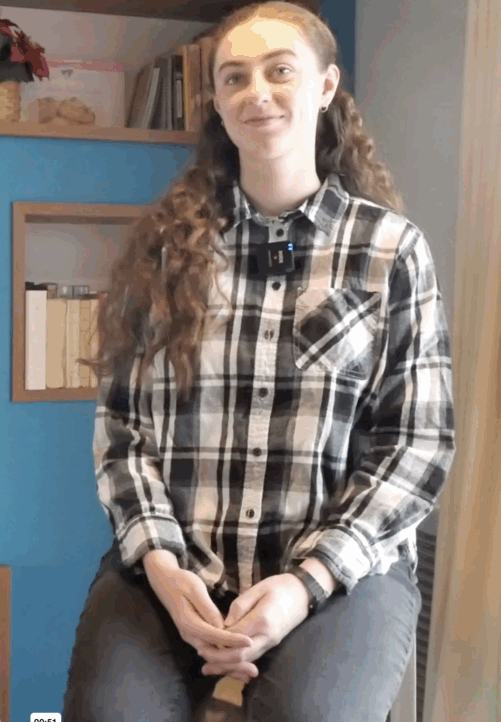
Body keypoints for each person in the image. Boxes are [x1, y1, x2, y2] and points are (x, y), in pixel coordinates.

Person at [62, 2, 455, 721]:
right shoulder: (165, 250)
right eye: (235, 77)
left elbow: (417, 444)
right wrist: (160, 562)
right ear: (216, 102)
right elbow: (121, 428)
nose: (257, 93)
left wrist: (306, 583)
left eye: (280, 71)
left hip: (339, 573)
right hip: (175, 564)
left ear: (326, 86)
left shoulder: (391, 251)